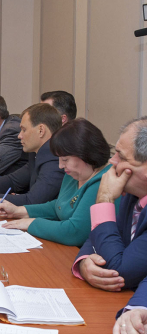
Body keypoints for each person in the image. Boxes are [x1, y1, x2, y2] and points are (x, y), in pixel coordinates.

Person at [0, 118, 112, 247]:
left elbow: (74, 232)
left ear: (86, 154)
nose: (60, 165)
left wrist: (31, 223)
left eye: (65, 159)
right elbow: (59, 206)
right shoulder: (75, 174)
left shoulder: (103, 181)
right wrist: (18, 211)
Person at [73, 117, 147, 292]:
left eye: (121, 157)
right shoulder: (132, 194)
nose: (112, 161)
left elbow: (120, 272)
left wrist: (104, 200)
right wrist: (84, 262)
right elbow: (98, 236)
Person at [0, 103, 64, 206]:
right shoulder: (38, 153)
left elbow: (33, 201)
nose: (19, 136)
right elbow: (14, 180)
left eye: (24, 130)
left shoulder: (55, 159)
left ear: (41, 130)